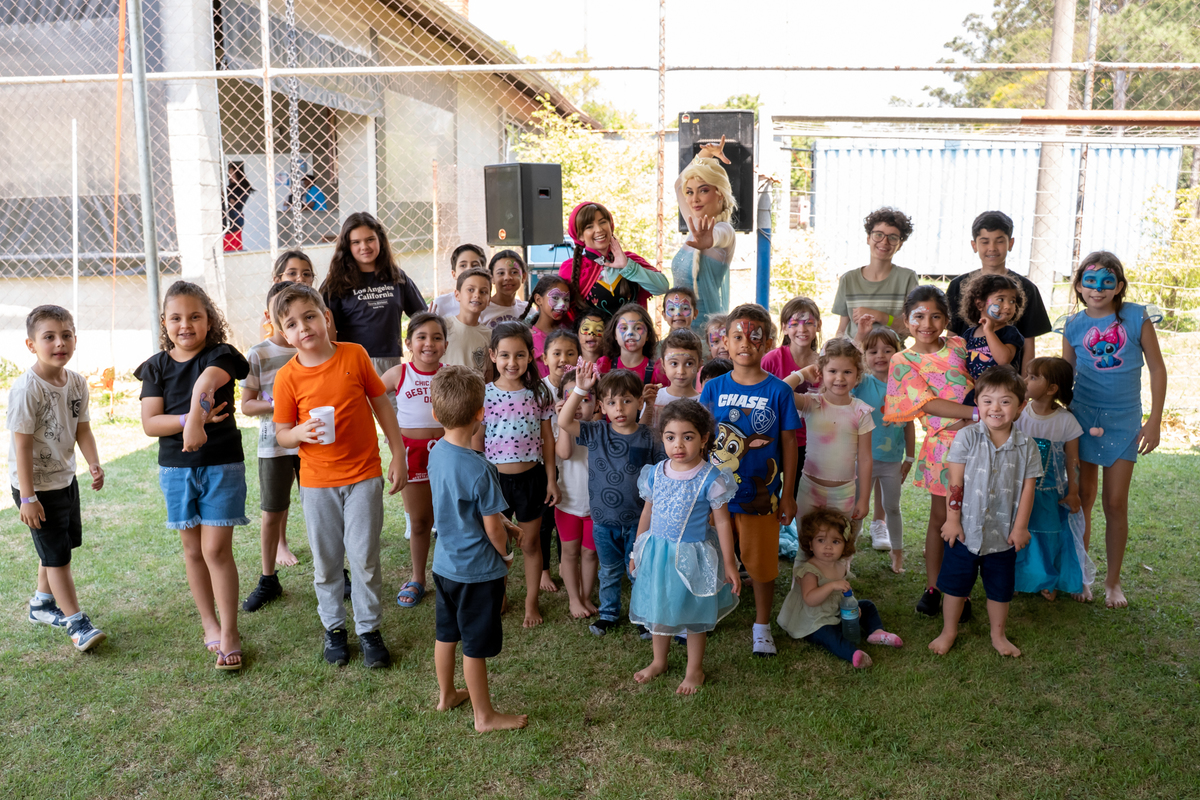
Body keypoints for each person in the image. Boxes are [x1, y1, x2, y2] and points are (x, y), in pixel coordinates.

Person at [271, 283, 406, 668]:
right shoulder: (287, 377)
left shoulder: (354, 354)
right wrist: (297, 433)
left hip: (364, 475)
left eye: (309, 316)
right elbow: (282, 434)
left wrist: (398, 453)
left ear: (326, 317)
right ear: (285, 334)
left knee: (364, 557)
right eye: (292, 324)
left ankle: (368, 629)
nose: (303, 327)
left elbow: (381, 404)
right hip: (317, 484)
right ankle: (334, 628)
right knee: (327, 561)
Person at [136, 281, 250, 670]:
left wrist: (197, 423)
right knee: (193, 551)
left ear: (209, 320)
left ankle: (230, 631)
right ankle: (209, 623)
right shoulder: (155, 366)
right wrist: (190, 420)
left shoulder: (222, 355)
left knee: (215, 550)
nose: (185, 325)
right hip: (176, 470)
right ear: (164, 322)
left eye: (195, 316)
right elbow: (151, 423)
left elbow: (206, 384)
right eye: (176, 318)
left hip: (221, 465)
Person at [426, 365, 528, 732]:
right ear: (481, 413)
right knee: (474, 645)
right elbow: (491, 528)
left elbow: (462, 507)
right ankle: (484, 717)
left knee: (446, 634)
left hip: (444, 566)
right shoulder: (481, 468)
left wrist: (504, 524)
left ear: (435, 414)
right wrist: (506, 554)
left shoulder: (436, 452)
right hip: (476, 573)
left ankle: (446, 695)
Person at [1062, 251, 1166, 609]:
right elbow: (1064, 376)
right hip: (1082, 419)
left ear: (1119, 286)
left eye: (1107, 282)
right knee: (1083, 499)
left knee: (1115, 502)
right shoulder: (1073, 325)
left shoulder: (1137, 317)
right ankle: (1081, 575)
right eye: (1090, 281)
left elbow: (1157, 369)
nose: (1098, 289)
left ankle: (1113, 581)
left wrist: (1154, 420)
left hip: (1124, 421)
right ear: (1079, 286)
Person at [699, 303, 800, 657]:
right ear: (725, 342)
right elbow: (701, 438)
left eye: (755, 336)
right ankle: (703, 614)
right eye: (737, 337)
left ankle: (761, 625)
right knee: (710, 557)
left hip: (760, 497)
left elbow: (789, 443)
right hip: (715, 497)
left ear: (768, 342)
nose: (745, 343)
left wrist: (788, 494)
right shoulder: (713, 388)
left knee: (761, 565)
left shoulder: (779, 391)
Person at [9, 305, 106, 651]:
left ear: (75, 339)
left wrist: (93, 463)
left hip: (65, 480)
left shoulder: (77, 382)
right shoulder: (27, 389)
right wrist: (28, 497)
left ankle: (41, 604)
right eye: (48, 336)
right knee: (58, 558)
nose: (59, 343)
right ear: (31, 344)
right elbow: (21, 447)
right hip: (36, 488)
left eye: (66, 335)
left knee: (58, 547)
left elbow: (83, 429)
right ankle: (77, 623)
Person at [628, 399, 740, 694]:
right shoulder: (656, 472)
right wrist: (637, 550)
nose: (678, 445)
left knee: (694, 613)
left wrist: (730, 563)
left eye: (687, 437)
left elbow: (723, 523)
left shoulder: (711, 479)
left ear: (703, 439)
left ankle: (694, 670)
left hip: (692, 556)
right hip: (657, 554)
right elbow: (647, 514)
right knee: (659, 606)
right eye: (670, 437)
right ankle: (659, 661)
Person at [932, 367, 1042, 658]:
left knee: (1000, 589)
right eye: (988, 400)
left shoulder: (1028, 446)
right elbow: (954, 482)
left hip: (1002, 536)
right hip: (964, 533)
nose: (996, 408)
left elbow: (1028, 491)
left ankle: (998, 635)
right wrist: (952, 520)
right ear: (978, 404)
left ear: (1021, 406)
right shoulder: (966, 437)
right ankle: (949, 631)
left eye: (1005, 401)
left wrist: (1020, 527)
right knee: (955, 587)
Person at [884, 286, 977, 620]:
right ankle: (934, 586)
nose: (927, 324)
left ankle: (960, 590)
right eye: (919, 316)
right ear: (906, 319)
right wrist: (976, 414)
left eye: (936, 316)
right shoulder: (902, 360)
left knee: (971, 515)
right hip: (944, 446)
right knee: (942, 516)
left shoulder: (960, 345)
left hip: (980, 442)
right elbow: (927, 403)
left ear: (947, 319)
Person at [558, 364, 665, 638]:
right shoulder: (597, 432)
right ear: (602, 407)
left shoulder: (649, 437)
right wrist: (580, 389)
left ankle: (641, 616)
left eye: (627, 401)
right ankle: (608, 614)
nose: (619, 408)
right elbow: (564, 422)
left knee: (638, 571)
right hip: (603, 522)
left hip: (639, 523)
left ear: (639, 402)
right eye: (612, 402)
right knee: (608, 571)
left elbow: (662, 475)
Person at [473, 322, 559, 627]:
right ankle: (499, 595)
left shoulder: (540, 393)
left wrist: (551, 479)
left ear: (531, 356)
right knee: (497, 544)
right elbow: (476, 443)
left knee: (531, 544)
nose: (512, 362)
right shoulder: (484, 395)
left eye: (520, 355)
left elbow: (548, 439)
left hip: (531, 480)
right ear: (493, 355)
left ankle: (531, 602)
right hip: (494, 482)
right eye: (505, 355)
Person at [240, 282, 303, 613]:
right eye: (282, 309)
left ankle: (336, 572)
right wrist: (280, 405)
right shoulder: (258, 353)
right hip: (273, 447)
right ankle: (268, 579)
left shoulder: (309, 347)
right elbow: (246, 405)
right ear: (270, 315)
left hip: (311, 445)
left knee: (323, 510)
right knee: (271, 513)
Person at [379, 312, 448, 609]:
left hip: (447, 451)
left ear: (445, 345)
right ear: (408, 343)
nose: (429, 343)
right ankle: (418, 577)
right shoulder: (399, 373)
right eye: (421, 337)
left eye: (436, 337)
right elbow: (369, 398)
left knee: (450, 519)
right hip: (412, 454)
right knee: (420, 522)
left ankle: (450, 576)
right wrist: (390, 434)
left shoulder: (450, 374)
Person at [776, 509, 903, 668]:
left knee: (867, 606)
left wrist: (854, 606)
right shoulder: (809, 571)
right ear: (810, 544)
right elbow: (809, 599)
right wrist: (831, 586)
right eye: (821, 540)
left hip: (836, 611)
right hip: (814, 621)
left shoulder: (840, 566)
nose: (828, 547)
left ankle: (876, 632)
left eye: (835, 542)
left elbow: (845, 592)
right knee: (829, 635)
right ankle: (853, 654)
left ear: (844, 546)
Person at [1013, 357, 1095, 602]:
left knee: (1048, 535)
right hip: (1018, 490)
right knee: (1018, 530)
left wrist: (1073, 492)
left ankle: (1048, 579)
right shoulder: (1018, 414)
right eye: (1027, 375)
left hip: (1051, 492)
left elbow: (1073, 461)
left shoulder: (1066, 421)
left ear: (1051, 389)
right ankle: (1016, 577)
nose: (1025, 381)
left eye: (1033, 377)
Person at [320, 212, 427, 398]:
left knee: (394, 414)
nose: (364, 247)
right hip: (351, 362)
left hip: (389, 361)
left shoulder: (396, 276)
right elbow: (323, 325)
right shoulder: (335, 283)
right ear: (347, 246)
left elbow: (422, 316)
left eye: (370, 239)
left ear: (380, 240)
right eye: (356, 242)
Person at [947, 211, 1053, 371]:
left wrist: (1025, 381)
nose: (992, 248)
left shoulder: (1026, 288)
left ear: (1011, 243)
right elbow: (951, 336)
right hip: (965, 377)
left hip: (1007, 379)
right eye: (985, 242)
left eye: (1000, 241)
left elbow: (1028, 342)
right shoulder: (958, 286)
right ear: (974, 245)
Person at [783, 338, 874, 525]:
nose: (840, 378)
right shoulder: (812, 403)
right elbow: (781, 391)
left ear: (858, 374)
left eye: (847, 372)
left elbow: (865, 458)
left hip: (844, 493)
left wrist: (864, 499)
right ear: (821, 372)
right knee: (806, 540)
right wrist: (803, 373)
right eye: (832, 371)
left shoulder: (861, 411)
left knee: (839, 540)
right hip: (809, 489)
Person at [852, 325, 914, 573]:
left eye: (887, 350)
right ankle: (847, 555)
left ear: (898, 354)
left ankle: (897, 553)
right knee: (857, 508)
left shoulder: (905, 386)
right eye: (873, 351)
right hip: (861, 460)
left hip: (891, 462)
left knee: (892, 508)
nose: (880, 356)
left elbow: (909, 424)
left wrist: (910, 458)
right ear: (864, 356)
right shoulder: (861, 383)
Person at [671, 136, 738, 331]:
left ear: (720, 193)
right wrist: (707, 153)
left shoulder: (725, 230)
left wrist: (710, 240)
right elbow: (678, 185)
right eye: (690, 192)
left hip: (709, 338)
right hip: (680, 334)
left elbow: (719, 236)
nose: (694, 199)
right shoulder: (694, 225)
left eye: (703, 190)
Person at [560, 200, 668, 321]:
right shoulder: (570, 268)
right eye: (589, 226)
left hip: (631, 333)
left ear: (611, 226)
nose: (599, 229)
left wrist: (627, 266)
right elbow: (562, 315)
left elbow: (662, 287)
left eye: (603, 222)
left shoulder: (630, 260)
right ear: (579, 236)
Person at [762, 296, 822, 497]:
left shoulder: (824, 365)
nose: (802, 329)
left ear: (818, 326)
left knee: (797, 497)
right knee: (768, 494)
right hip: (773, 439)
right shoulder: (771, 359)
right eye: (794, 323)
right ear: (784, 328)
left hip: (808, 442)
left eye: (809, 323)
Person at [538, 329, 583, 594]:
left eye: (570, 353)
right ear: (545, 358)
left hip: (573, 463)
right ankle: (544, 569)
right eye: (557, 353)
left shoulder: (581, 387)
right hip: (546, 464)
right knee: (546, 519)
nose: (563, 359)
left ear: (579, 358)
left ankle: (564, 563)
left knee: (566, 516)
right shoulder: (539, 389)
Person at [553, 368, 599, 619]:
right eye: (572, 398)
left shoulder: (600, 429)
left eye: (584, 399)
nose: (578, 405)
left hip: (596, 508)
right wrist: (564, 422)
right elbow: (565, 453)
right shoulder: (560, 429)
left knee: (590, 553)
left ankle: (585, 596)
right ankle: (573, 599)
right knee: (569, 553)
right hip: (568, 504)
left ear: (598, 404)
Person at [832, 207, 918, 340]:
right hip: (853, 350)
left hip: (891, 351)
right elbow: (842, 328)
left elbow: (913, 330)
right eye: (878, 234)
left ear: (900, 245)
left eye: (893, 237)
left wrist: (881, 317)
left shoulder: (907, 278)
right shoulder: (848, 279)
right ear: (868, 238)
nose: (884, 242)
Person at [956, 272, 1028, 389]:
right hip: (975, 391)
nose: (1007, 306)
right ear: (980, 304)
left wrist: (989, 332)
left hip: (1002, 391)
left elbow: (1003, 360)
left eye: (1012, 301)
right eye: (1000, 299)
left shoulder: (1010, 333)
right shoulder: (969, 334)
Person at [441, 268, 493, 379]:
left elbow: (488, 374)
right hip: (442, 388)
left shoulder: (489, 335)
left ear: (489, 299)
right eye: (470, 290)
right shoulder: (442, 327)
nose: (477, 295)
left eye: (483, 292)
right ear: (457, 295)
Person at [518, 275, 573, 377]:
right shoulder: (528, 337)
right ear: (538, 299)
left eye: (566, 300)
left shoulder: (569, 333)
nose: (562, 304)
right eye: (555, 298)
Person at [647, 329, 702, 427]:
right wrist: (648, 406)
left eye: (689, 364)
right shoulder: (655, 398)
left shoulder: (703, 401)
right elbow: (642, 429)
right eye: (674, 363)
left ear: (699, 365)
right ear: (663, 364)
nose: (681, 371)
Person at [597, 303, 659, 390]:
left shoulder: (657, 371)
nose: (630, 333)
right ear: (615, 334)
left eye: (638, 328)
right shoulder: (604, 367)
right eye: (624, 328)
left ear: (648, 335)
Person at [260, 250, 316, 342]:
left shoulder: (321, 312)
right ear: (277, 280)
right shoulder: (269, 321)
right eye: (292, 273)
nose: (300, 278)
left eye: (306, 274)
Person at [429, 244, 489, 317]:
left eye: (475, 265)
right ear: (454, 274)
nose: (469, 269)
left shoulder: (489, 306)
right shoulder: (440, 304)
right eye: (463, 265)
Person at [483, 250, 530, 328]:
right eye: (501, 273)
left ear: (524, 276)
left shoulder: (528, 311)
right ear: (491, 278)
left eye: (514, 272)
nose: (507, 277)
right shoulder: (481, 310)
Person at [223, 161, 254, 252]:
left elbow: (236, 203)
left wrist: (226, 198)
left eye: (233, 174)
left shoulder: (243, 188)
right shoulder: (229, 187)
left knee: (232, 242)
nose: (230, 176)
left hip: (235, 217)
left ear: (238, 174)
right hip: (227, 217)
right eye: (229, 174)